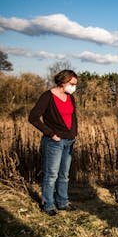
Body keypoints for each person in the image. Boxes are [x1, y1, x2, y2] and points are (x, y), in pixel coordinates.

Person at [28, 69, 78, 216]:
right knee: (51, 175)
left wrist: (74, 134)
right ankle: (48, 205)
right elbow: (33, 117)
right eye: (72, 84)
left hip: (69, 141)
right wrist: (51, 134)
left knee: (64, 174)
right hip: (54, 142)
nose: (74, 87)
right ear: (63, 82)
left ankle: (63, 202)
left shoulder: (70, 97)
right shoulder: (47, 96)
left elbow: (73, 117)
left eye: (75, 84)